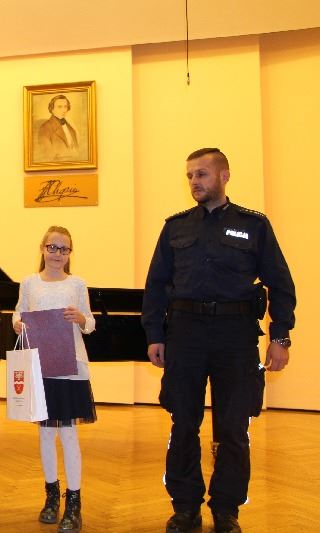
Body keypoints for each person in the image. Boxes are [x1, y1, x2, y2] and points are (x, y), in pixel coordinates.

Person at [142, 148, 296, 533]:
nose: (194, 182)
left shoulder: (254, 225)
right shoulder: (175, 228)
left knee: (233, 428)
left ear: (224, 176)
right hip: (186, 334)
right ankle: (185, 507)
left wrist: (280, 336)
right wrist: (154, 334)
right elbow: (156, 286)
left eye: (202, 174)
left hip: (235, 336)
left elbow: (280, 283)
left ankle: (227, 509)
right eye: (190, 176)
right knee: (183, 423)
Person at [12, 225, 96, 532]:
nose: (58, 253)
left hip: (71, 367)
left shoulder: (77, 283)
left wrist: (81, 319)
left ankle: (74, 502)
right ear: (43, 248)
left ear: (70, 253)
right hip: (40, 366)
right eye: (53, 247)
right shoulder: (29, 283)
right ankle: (51, 497)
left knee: (69, 434)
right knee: (46, 434)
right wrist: (17, 323)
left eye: (64, 249)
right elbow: (18, 313)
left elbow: (90, 323)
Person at [37, 95, 78, 161]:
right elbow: (47, 155)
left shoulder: (70, 127)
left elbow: (76, 150)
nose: (64, 110)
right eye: (59, 107)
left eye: (65, 106)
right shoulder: (45, 128)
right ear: (52, 109)